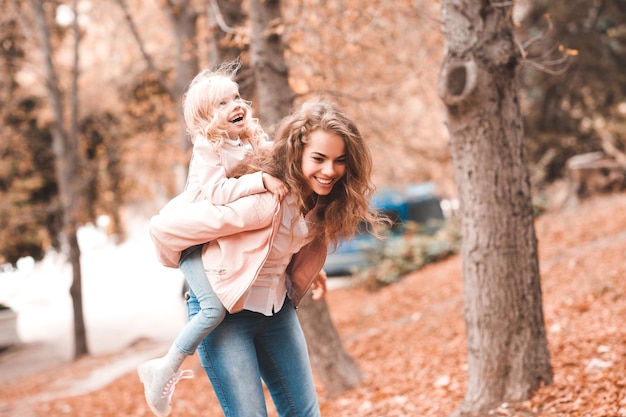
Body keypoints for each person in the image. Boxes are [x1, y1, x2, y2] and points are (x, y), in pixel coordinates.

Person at [149, 98, 384, 417]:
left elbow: (284, 240)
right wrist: (206, 277)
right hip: (227, 317)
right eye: (319, 158)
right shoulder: (262, 201)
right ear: (297, 152)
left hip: (277, 311)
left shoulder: (321, 201)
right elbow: (165, 228)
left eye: (339, 160)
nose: (330, 170)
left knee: (305, 413)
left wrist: (307, 268)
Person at [137, 61, 288, 417]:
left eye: (236, 98)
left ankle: (165, 367)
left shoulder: (250, 139)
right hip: (191, 240)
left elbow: (274, 165)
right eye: (221, 104)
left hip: (212, 240)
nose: (235, 105)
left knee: (217, 308)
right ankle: (163, 368)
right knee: (212, 309)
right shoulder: (209, 148)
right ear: (206, 118)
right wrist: (261, 182)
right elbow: (217, 193)